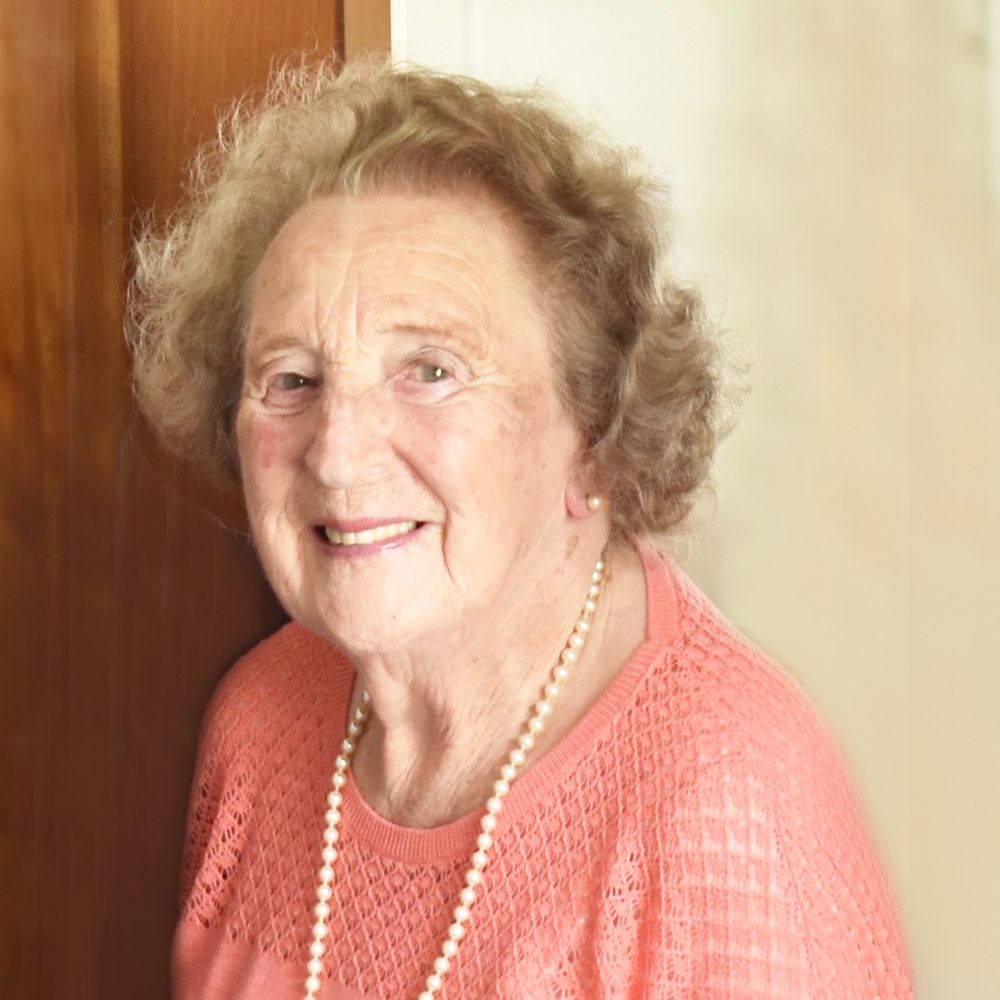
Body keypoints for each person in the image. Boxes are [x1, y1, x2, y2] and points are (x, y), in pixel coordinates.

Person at [128, 58, 914, 1000]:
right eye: (291, 379)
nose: (336, 454)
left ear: (594, 434)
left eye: (431, 371)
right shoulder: (258, 725)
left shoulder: (728, 802)